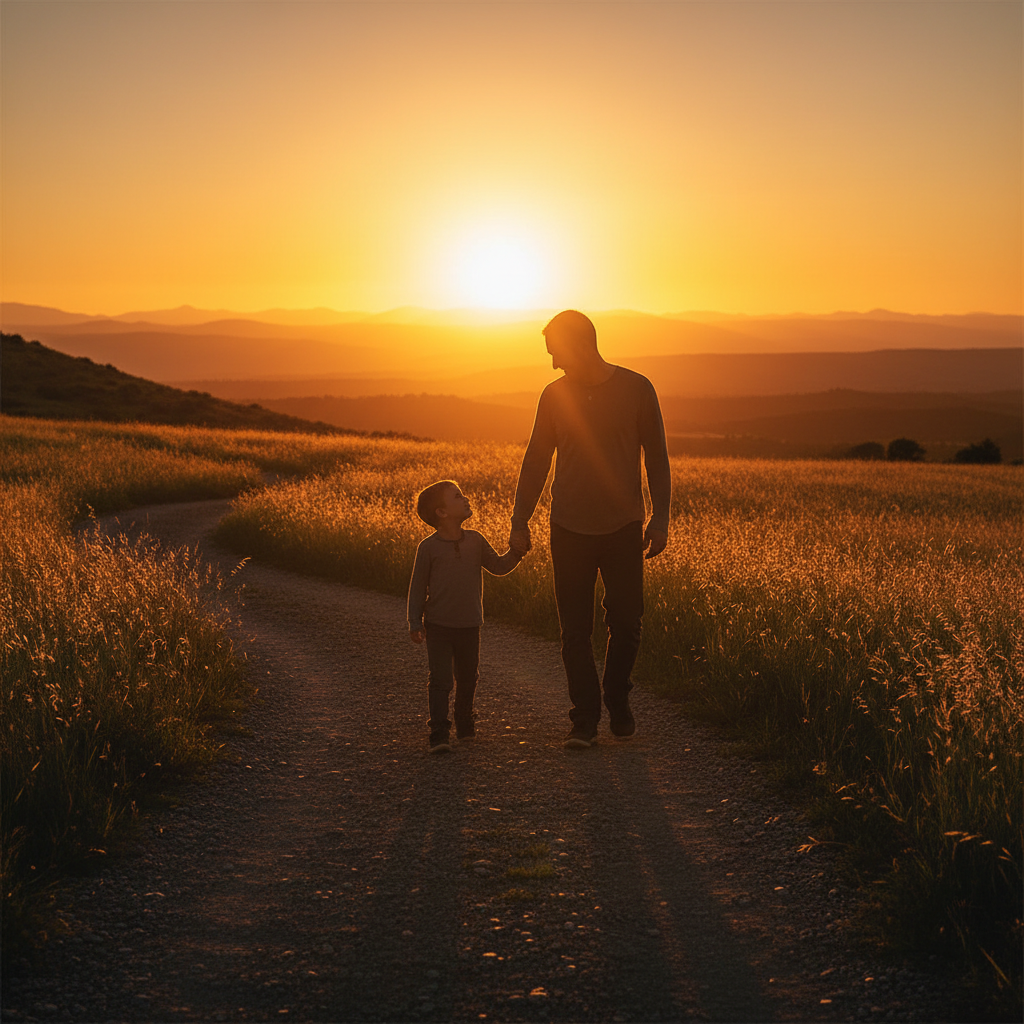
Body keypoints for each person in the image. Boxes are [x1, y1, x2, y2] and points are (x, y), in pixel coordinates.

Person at [509, 309, 671, 749]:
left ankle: (617, 697)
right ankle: (584, 719)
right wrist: (519, 518)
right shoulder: (553, 395)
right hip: (569, 528)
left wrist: (661, 517)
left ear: (581, 344)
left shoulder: (638, 389)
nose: (553, 363)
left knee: (628, 623)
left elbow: (656, 457)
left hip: (624, 528)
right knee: (574, 632)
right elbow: (537, 458)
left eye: (556, 352)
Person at [408, 479, 524, 753]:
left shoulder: (476, 540)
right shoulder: (428, 548)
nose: (466, 499)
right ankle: (438, 731)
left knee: (468, 676)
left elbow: (497, 566)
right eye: (458, 497)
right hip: (437, 625)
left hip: (470, 624)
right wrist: (415, 621)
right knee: (441, 679)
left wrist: (517, 552)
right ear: (442, 513)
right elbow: (416, 588)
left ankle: (464, 722)